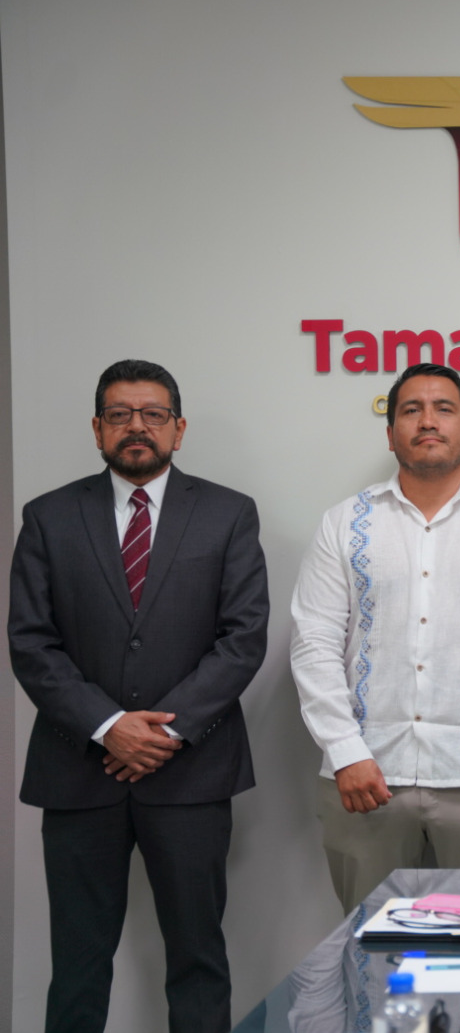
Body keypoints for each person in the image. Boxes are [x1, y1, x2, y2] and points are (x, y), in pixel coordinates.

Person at [8, 360, 270, 1033]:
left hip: (191, 772)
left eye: (153, 414)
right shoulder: (48, 516)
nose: (137, 427)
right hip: (79, 772)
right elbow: (31, 642)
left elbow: (243, 638)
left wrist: (161, 733)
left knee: (197, 958)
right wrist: (108, 725)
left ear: (179, 429)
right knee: (77, 965)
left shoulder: (229, 513)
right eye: (120, 414)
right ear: (97, 427)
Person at [289, 362, 460, 911]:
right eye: (411, 410)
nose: (428, 421)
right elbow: (313, 643)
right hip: (366, 779)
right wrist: (344, 751)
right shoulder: (345, 522)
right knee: (372, 943)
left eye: (444, 409)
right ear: (390, 433)